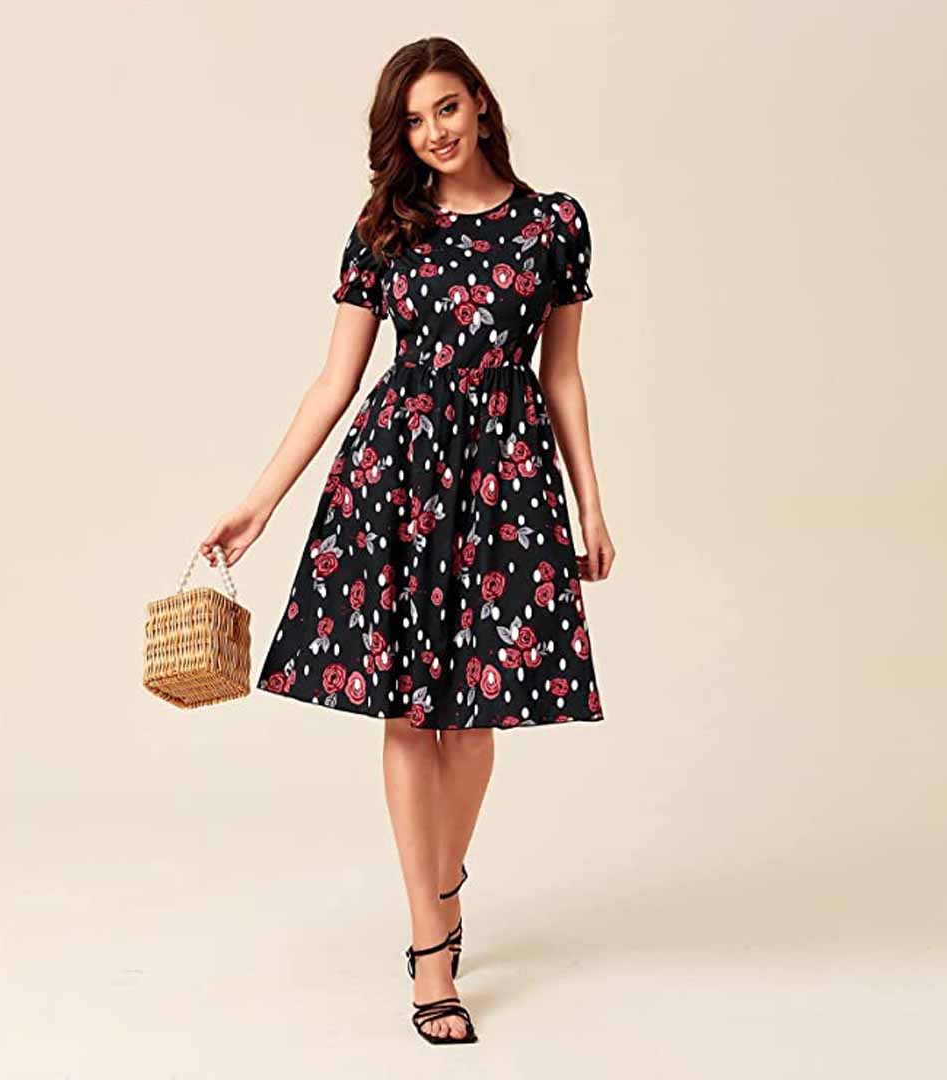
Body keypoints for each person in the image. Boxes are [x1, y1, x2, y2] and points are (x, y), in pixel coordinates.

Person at [200, 36, 615, 1046]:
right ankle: (434, 953)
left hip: (506, 480)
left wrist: (591, 505)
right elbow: (334, 381)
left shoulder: (553, 224)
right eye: (415, 120)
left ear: (480, 103)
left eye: (446, 108)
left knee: (472, 722)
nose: (434, 132)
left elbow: (561, 374)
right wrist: (259, 502)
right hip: (399, 476)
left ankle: (441, 886)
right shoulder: (386, 228)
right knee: (406, 713)